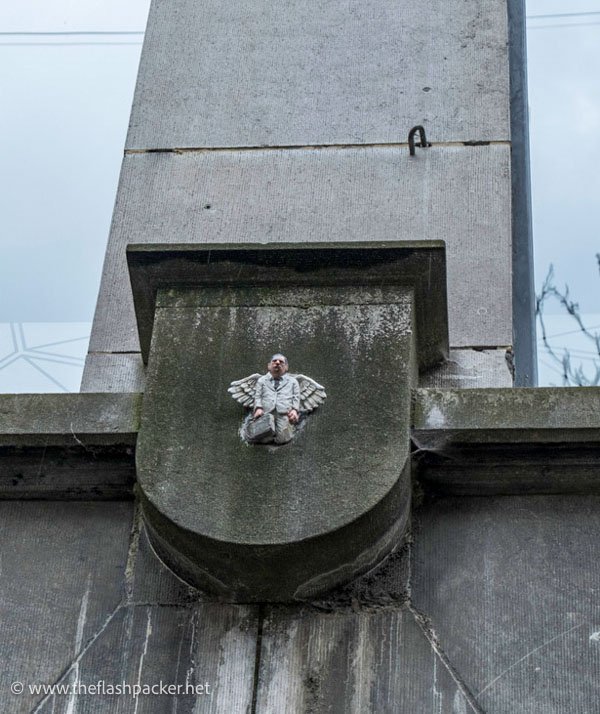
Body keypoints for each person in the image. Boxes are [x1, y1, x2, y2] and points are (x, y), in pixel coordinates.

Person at [252, 354, 300, 444]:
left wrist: (295, 410)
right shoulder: (262, 380)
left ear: (286, 367)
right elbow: (258, 396)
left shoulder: (293, 382)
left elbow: (296, 397)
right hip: (266, 413)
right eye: (274, 361)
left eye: (281, 362)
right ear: (269, 366)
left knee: (283, 438)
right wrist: (258, 408)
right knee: (264, 435)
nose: (277, 363)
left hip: (284, 413)